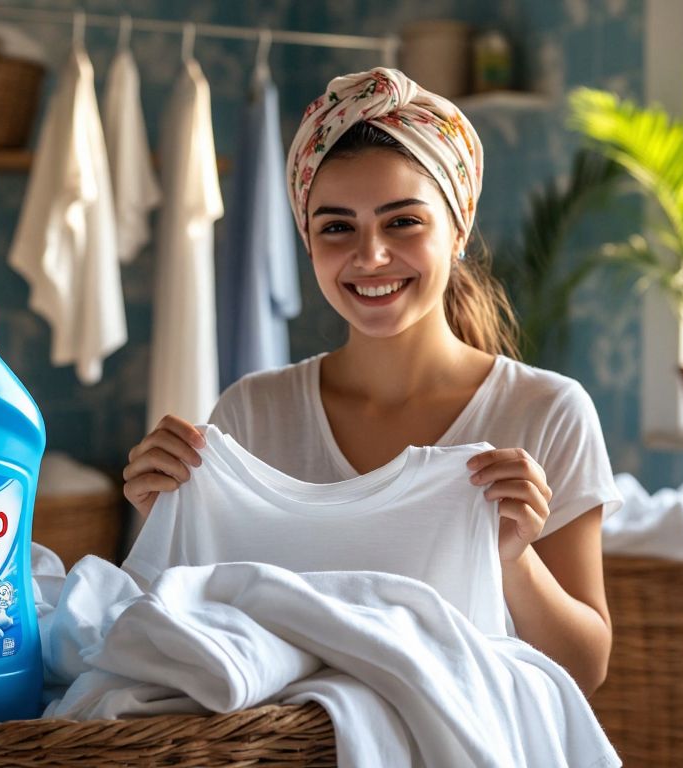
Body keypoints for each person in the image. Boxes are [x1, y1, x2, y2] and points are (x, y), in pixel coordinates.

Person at [122, 68, 621, 695]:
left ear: (459, 229)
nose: (370, 256)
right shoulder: (252, 411)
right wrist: (172, 519)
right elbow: (197, 628)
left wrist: (514, 560)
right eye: (337, 227)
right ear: (308, 243)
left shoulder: (547, 412)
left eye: (403, 221)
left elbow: (586, 669)